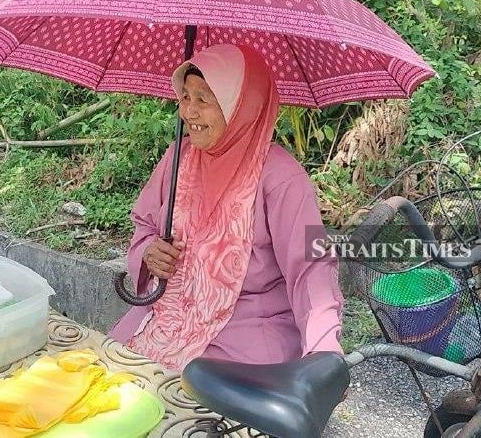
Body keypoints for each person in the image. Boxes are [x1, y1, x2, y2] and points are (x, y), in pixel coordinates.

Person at [107, 43, 345, 373]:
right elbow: (145, 225)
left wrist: (324, 352)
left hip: (242, 331)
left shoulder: (281, 178)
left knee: (198, 413)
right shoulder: (178, 158)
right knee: (104, 382)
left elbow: (311, 270)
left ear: (240, 106)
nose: (188, 112)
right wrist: (150, 252)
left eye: (203, 99)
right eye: (185, 97)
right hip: (166, 317)